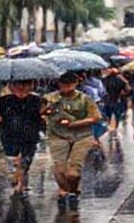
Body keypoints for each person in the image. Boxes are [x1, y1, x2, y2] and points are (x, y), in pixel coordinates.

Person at [43, 72, 101, 209]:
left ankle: (73, 190)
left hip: (82, 136)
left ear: (76, 83)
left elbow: (95, 117)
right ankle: (64, 190)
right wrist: (48, 110)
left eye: (70, 84)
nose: (66, 87)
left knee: (73, 171)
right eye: (63, 84)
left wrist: (74, 124)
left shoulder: (85, 99)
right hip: (58, 135)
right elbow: (40, 112)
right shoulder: (50, 98)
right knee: (59, 169)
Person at [0, 80, 43, 196]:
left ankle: (21, 185)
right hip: (9, 134)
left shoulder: (37, 100)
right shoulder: (2, 101)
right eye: (17, 85)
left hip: (30, 134)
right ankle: (19, 183)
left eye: (25, 84)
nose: (21, 88)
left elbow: (42, 115)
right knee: (15, 160)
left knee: (26, 160)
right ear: (11, 86)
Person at [101, 68, 131, 135]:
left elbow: (102, 91)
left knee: (107, 116)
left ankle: (108, 129)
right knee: (117, 116)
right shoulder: (120, 81)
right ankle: (115, 129)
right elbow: (129, 90)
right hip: (117, 100)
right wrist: (124, 93)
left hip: (107, 101)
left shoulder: (104, 80)